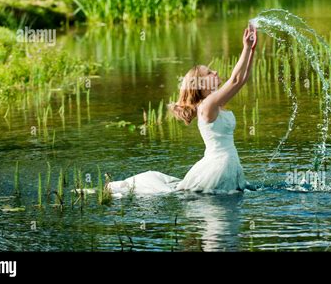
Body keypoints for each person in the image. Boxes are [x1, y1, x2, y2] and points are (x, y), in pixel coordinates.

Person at [106, 24, 258, 198]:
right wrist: (245, 48)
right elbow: (236, 79)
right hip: (219, 166)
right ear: (200, 84)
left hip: (229, 163)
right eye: (209, 72)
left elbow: (242, 79)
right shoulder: (208, 106)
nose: (215, 71)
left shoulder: (216, 103)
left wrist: (252, 50)